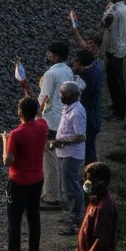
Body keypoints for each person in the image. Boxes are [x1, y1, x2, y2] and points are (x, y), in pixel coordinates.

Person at [0, 95, 48, 251]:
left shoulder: (16, 134)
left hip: (18, 182)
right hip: (37, 179)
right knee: (34, 217)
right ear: (35, 112)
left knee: (14, 221)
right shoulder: (42, 126)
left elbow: (7, 161)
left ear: (19, 113)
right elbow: (40, 115)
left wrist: (5, 140)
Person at [37, 40, 73, 209]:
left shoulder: (50, 74)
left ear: (56, 56)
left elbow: (43, 99)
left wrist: (35, 117)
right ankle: (61, 192)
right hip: (63, 119)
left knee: (49, 160)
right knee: (59, 158)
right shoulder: (68, 70)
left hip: (50, 121)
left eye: (50, 53)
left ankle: (51, 196)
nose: (47, 55)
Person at [52, 81, 87, 235]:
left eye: (62, 93)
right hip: (64, 153)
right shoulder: (69, 108)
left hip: (71, 155)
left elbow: (80, 136)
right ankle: (74, 217)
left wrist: (60, 141)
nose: (60, 95)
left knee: (71, 188)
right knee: (67, 187)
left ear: (71, 95)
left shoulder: (77, 112)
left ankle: (76, 220)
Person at [71, 48, 103, 165]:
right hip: (95, 113)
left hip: (88, 116)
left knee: (88, 148)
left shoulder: (84, 76)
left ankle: (90, 172)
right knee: (90, 146)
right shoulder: (96, 69)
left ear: (80, 63)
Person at [102, 0, 126, 119]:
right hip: (121, 46)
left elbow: (105, 23)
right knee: (118, 79)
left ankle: (119, 111)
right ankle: (119, 107)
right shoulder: (124, 8)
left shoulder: (114, 10)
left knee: (114, 81)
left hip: (114, 49)